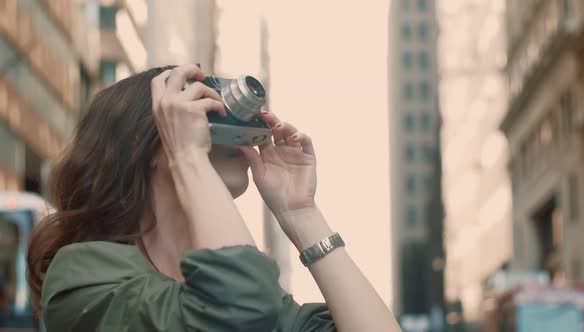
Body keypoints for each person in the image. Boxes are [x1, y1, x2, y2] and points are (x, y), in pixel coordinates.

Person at [26, 64, 401, 331]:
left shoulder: (255, 292)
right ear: (151, 144)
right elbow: (235, 311)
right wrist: (188, 154)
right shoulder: (84, 276)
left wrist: (301, 213)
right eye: (200, 108)